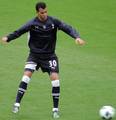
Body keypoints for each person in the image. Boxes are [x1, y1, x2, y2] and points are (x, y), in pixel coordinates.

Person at [1, 1, 85, 119]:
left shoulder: (53, 21)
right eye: (42, 12)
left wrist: (77, 37)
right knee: (26, 77)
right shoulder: (32, 23)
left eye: (46, 11)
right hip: (34, 55)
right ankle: (16, 104)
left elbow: (67, 28)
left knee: (55, 80)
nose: (44, 14)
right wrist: (8, 38)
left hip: (50, 56)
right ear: (37, 12)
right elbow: (19, 31)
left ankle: (55, 110)